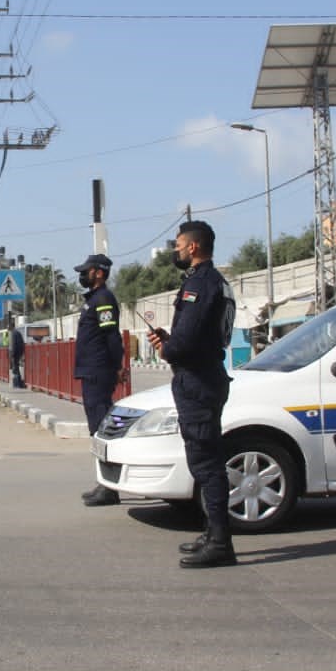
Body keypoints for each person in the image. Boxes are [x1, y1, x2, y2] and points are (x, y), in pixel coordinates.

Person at [146, 221, 237, 568]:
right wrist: (172, 340)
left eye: (179, 245)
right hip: (206, 374)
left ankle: (220, 543)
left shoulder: (199, 284)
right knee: (205, 459)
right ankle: (212, 532)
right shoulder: (216, 281)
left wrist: (167, 347)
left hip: (198, 380)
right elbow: (201, 333)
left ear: (193, 247)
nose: (176, 250)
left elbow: (187, 340)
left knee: (206, 462)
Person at [72, 253, 128, 507]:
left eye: (87, 271)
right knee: (97, 428)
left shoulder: (103, 299)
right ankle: (104, 483)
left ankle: (109, 488)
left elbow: (111, 337)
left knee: (101, 428)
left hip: (99, 371)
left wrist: (117, 366)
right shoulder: (94, 299)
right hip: (91, 370)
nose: (83, 275)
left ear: (99, 273)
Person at [9, 321, 27, 388]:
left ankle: (17, 384)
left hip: (16, 353)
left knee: (15, 368)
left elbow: (14, 344)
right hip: (19, 352)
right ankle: (19, 383)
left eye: (8, 327)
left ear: (11, 327)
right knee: (16, 368)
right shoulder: (17, 332)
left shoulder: (14, 333)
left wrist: (12, 354)